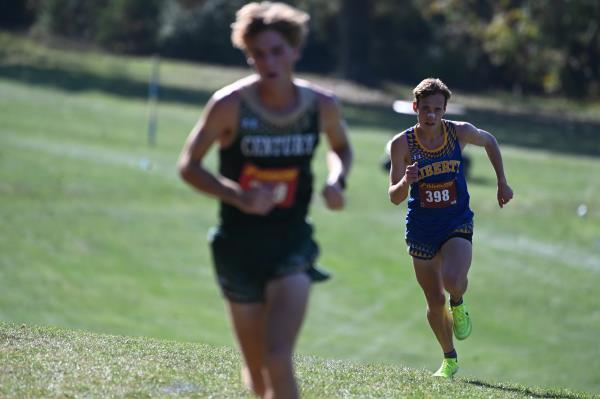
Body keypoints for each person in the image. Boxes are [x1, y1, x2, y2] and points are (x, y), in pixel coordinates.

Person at [178, 2, 353, 398]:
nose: (268, 61)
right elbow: (188, 166)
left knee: (278, 356)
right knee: (257, 374)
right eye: (258, 53)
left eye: (277, 51)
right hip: (237, 246)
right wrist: (236, 195)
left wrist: (336, 181)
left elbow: (341, 147)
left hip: (292, 244)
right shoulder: (229, 106)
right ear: (248, 55)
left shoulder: (321, 105)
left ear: (295, 50)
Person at [387, 78, 513, 378]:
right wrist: (407, 180)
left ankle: (459, 303)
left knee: (453, 281)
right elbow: (394, 196)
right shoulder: (401, 144)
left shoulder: (459, 132)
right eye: (425, 109)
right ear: (415, 107)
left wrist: (502, 182)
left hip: (456, 220)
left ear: (445, 109)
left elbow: (490, 141)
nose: (431, 116)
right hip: (421, 229)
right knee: (433, 301)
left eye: (437, 110)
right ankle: (449, 358)